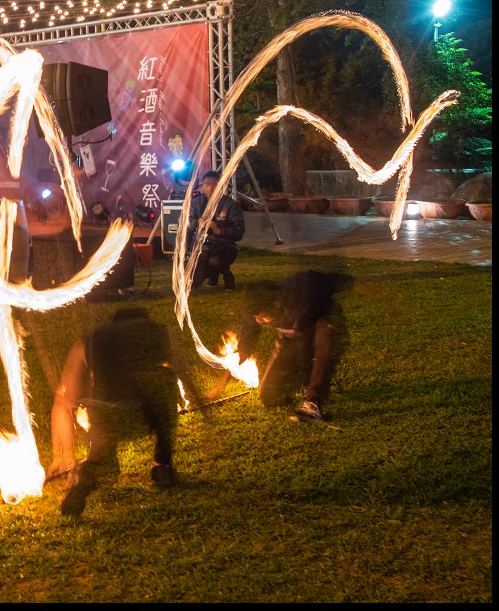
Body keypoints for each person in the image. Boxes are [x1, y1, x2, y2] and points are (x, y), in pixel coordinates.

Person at [49, 307, 198, 518]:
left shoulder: (90, 340)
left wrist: (62, 455)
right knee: (166, 379)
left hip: (106, 417)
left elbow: (67, 399)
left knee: (105, 465)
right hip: (146, 415)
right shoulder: (160, 332)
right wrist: (204, 410)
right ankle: (163, 465)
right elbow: (184, 371)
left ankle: (83, 482)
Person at [209, 269, 352, 421]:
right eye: (255, 318)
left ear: (276, 304)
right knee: (269, 396)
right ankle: (302, 381)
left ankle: (313, 401)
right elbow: (246, 347)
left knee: (322, 345)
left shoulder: (303, 288)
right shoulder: (254, 311)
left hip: (324, 323)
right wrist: (222, 383)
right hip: (291, 337)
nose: (259, 321)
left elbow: (338, 278)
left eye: (263, 317)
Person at [187, 170, 245, 291]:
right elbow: (189, 221)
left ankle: (227, 276)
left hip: (225, 246)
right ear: (202, 187)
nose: (211, 188)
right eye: (207, 184)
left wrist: (218, 230)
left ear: (220, 186)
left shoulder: (231, 205)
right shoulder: (196, 203)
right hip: (204, 246)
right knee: (194, 280)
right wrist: (198, 223)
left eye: (214, 184)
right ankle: (211, 275)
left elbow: (239, 231)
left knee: (215, 261)